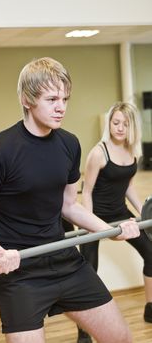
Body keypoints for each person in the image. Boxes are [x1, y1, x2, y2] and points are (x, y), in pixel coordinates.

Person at [0, 57, 140, 343]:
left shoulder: (69, 144)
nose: (61, 107)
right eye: (51, 99)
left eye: (65, 98)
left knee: (121, 338)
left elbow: (69, 205)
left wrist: (114, 230)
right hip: (20, 269)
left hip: (64, 258)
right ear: (26, 99)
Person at [76, 101, 152, 342]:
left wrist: (145, 214)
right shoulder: (99, 152)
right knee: (88, 270)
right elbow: (86, 191)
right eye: (115, 122)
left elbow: (128, 188)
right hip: (94, 215)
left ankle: (150, 308)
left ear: (132, 127)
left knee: (151, 253)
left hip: (120, 213)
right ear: (109, 123)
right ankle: (83, 330)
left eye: (125, 124)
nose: (119, 128)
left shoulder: (132, 152)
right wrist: (88, 225)